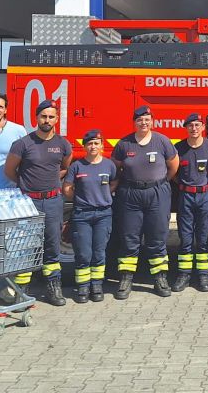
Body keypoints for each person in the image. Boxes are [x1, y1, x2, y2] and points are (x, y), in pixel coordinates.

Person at [4, 99, 73, 306]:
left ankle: (53, 288)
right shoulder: (23, 144)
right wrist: (25, 185)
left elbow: (64, 167)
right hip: (28, 203)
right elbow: (9, 170)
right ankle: (21, 290)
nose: (47, 120)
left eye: (51, 116)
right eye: (43, 116)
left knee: (52, 246)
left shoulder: (63, 144)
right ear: (37, 118)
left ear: (56, 119)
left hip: (52, 201)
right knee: (24, 246)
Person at [111, 105, 179, 299]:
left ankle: (159, 278)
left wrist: (160, 183)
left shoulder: (162, 141)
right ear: (134, 123)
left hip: (157, 193)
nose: (144, 123)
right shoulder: (124, 144)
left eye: (147, 119)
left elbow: (173, 166)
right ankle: (125, 279)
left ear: (152, 121)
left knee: (157, 238)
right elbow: (115, 168)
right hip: (130, 194)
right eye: (140, 120)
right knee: (129, 238)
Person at [62, 129, 117, 304]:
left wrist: (104, 195)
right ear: (84, 146)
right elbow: (67, 188)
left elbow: (115, 181)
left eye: (96, 143)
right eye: (90, 143)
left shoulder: (109, 165)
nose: (93, 146)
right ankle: (83, 286)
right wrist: (82, 199)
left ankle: (97, 286)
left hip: (103, 214)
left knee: (99, 252)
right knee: (84, 253)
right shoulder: (77, 166)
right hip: (82, 215)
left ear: (102, 145)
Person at [171, 113, 208, 293]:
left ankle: (203, 275)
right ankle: (184, 275)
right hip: (186, 196)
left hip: (204, 195)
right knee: (185, 237)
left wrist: (206, 183)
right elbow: (173, 171)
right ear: (186, 128)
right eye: (190, 125)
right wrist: (184, 185)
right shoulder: (179, 148)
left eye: (197, 125)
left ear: (203, 127)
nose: (194, 128)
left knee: (203, 237)